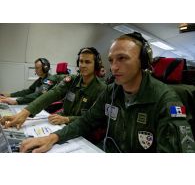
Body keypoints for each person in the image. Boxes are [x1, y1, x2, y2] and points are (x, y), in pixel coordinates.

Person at [2, 32, 195, 153]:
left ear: (143, 63)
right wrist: (53, 138)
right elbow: (87, 121)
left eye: (122, 58)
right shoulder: (112, 91)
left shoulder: (166, 100)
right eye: (111, 60)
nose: (114, 67)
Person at [0, 47, 106, 131]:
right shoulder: (72, 80)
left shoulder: (101, 89)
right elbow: (54, 93)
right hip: (62, 121)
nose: (82, 65)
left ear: (96, 65)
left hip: (81, 129)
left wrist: (68, 119)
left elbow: (95, 119)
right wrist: (26, 112)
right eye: (81, 61)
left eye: (87, 62)